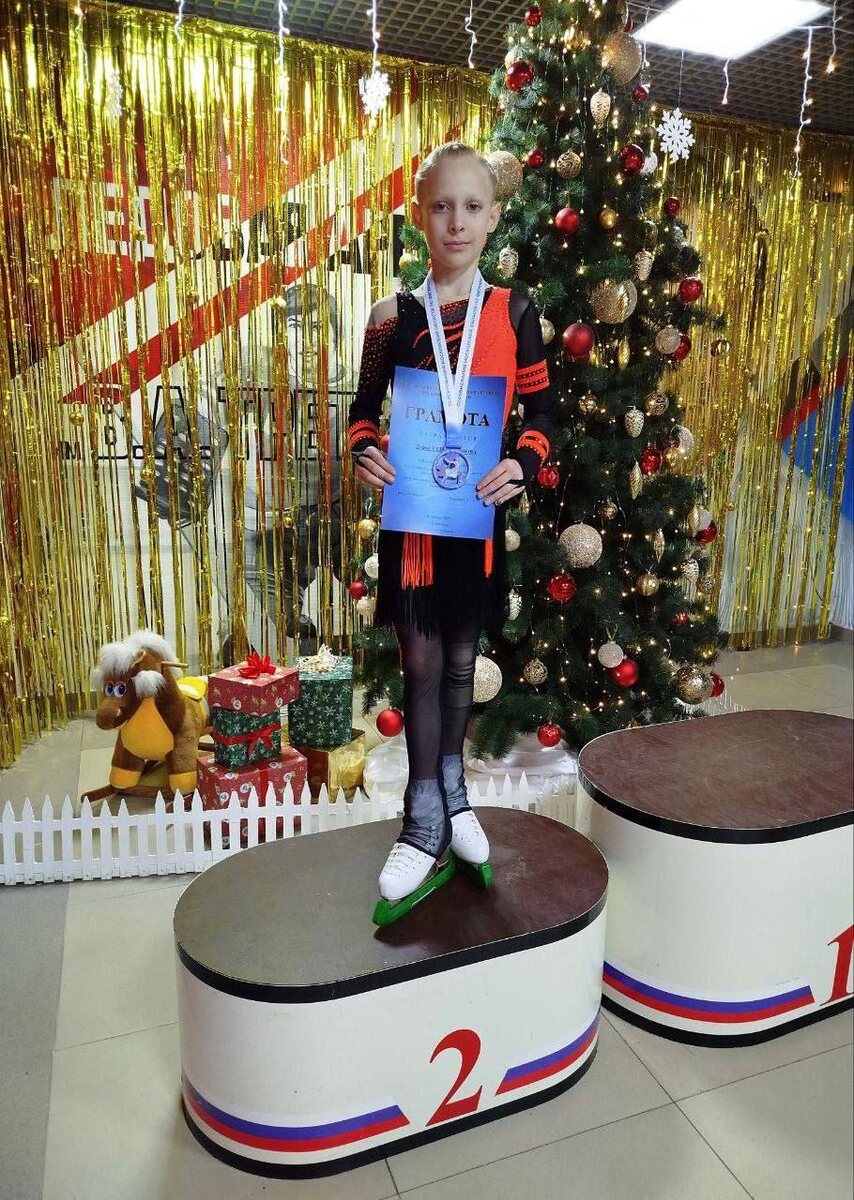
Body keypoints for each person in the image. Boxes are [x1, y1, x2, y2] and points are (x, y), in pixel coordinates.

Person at [348, 142, 555, 907]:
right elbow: (361, 415)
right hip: (413, 527)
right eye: (441, 206)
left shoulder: (516, 313)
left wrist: (523, 463)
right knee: (422, 667)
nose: (456, 222)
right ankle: (421, 819)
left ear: (493, 217)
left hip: (474, 519)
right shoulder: (391, 317)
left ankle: (454, 797)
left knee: (463, 663)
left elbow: (543, 415)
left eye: (472, 206)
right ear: (419, 215)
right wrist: (364, 451)